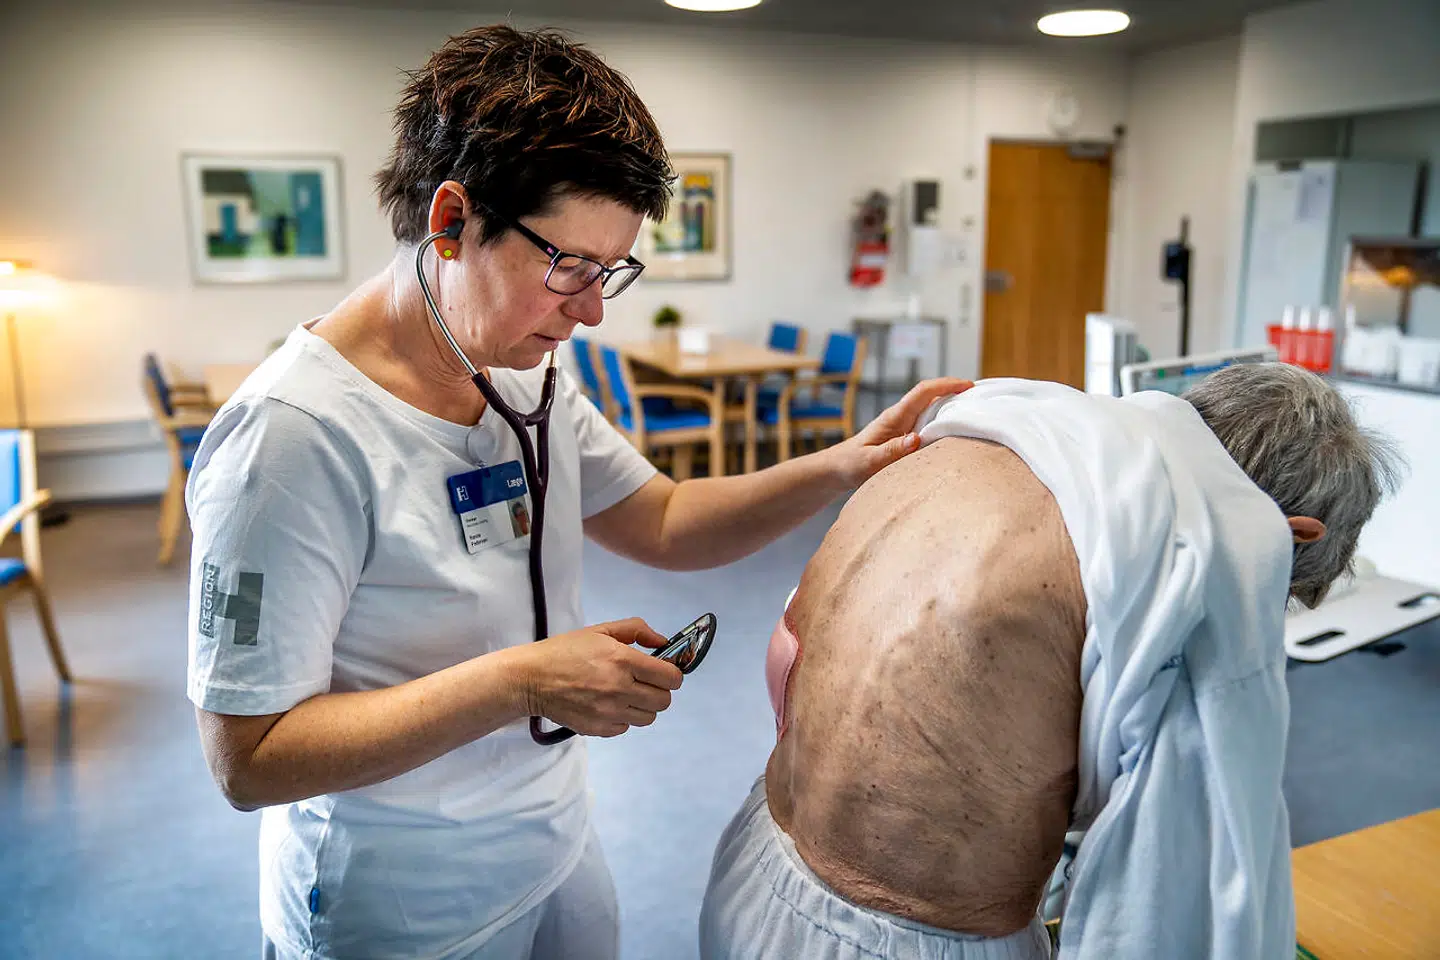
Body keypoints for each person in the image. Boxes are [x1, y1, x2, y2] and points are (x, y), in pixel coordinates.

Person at [184, 25, 968, 960]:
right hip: (401, 904)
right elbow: (250, 758)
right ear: (450, 220)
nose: (592, 309)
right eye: (570, 268)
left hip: (554, 843)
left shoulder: (522, 368)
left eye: (612, 272)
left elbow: (664, 520)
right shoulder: (292, 437)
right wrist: (526, 677)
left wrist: (842, 463)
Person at [700, 363, 1399, 960]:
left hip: (751, 864)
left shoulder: (993, 433)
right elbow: (1181, 896)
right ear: (1286, 536)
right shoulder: (1203, 555)